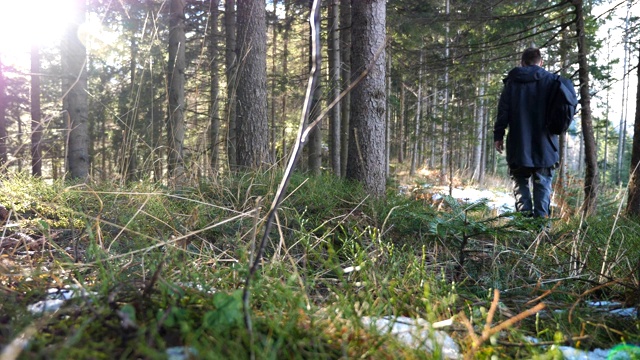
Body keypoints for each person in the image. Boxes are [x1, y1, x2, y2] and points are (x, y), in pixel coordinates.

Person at [493, 47, 562, 218]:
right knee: (543, 184)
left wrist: (498, 135)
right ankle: (540, 230)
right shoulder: (553, 81)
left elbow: (503, 111)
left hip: (518, 143)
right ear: (541, 62)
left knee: (520, 182)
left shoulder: (512, 82)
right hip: (546, 144)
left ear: (522, 62)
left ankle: (523, 227)